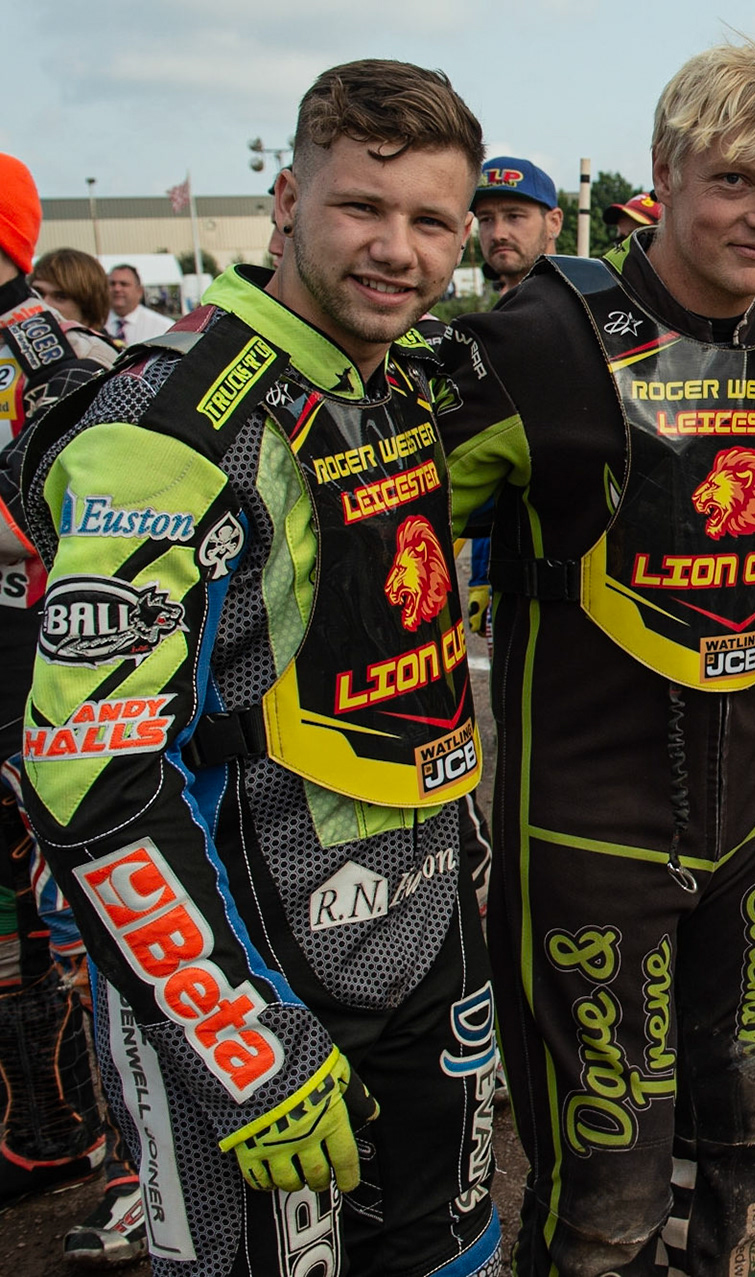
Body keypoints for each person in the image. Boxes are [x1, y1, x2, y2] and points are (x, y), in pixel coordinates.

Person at [15, 61, 501, 1277]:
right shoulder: (167, 428)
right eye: (362, 208)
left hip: (427, 949)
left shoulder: (394, 380)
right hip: (255, 997)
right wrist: (243, 1043)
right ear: (286, 200)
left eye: (432, 220)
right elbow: (86, 780)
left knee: (459, 1257)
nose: (398, 249)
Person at [438, 41, 755, 1277]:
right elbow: (374, 524)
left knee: (752, 1116)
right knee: (612, 1166)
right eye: (735, 183)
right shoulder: (541, 335)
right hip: (589, 821)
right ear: (664, 175)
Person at [0, 153, 119, 1243]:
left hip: (48, 669)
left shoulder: (55, 346)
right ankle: (38, 1123)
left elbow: (86, 513)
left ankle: (91, 1139)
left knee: (78, 917)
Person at [473, 156, 564, 294]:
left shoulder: (589, 308)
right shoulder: (490, 314)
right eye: (486, 219)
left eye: (514, 217)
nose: (498, 234)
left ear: (554, 222)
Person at [30, 249, 111, 333]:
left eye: (60, 297)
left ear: (89, 308)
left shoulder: (102, 345)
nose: (44, 304)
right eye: (38, 294)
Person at [104, 264, 172, 345]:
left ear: (139, 291)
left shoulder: (164, 328)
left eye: (124, 284)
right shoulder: (95, 324)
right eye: (112, 284)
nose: (117, 289)